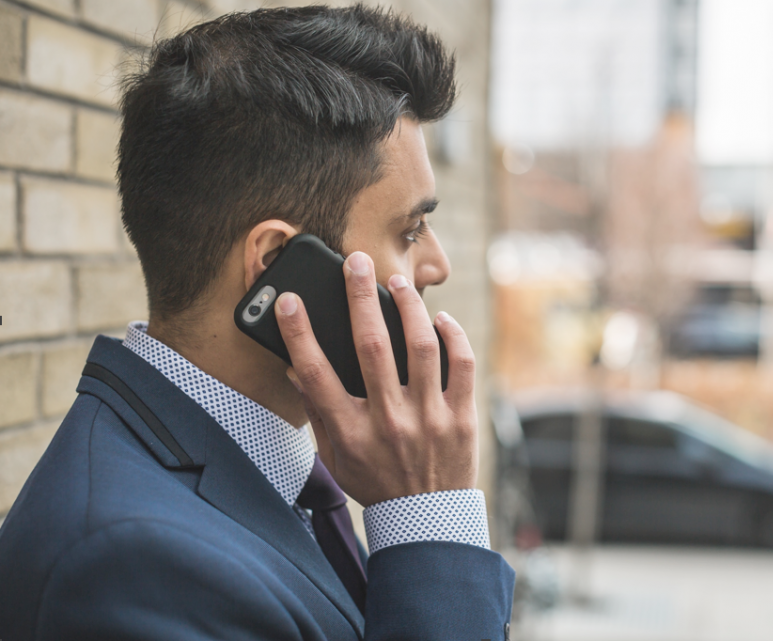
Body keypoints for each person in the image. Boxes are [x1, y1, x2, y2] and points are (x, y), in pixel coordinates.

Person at [0, 5, 514, 640]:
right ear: (276, 269)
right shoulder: (128, 565)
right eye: (410, 230)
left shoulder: (285, 468)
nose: (437, 264)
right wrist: (431, 523)